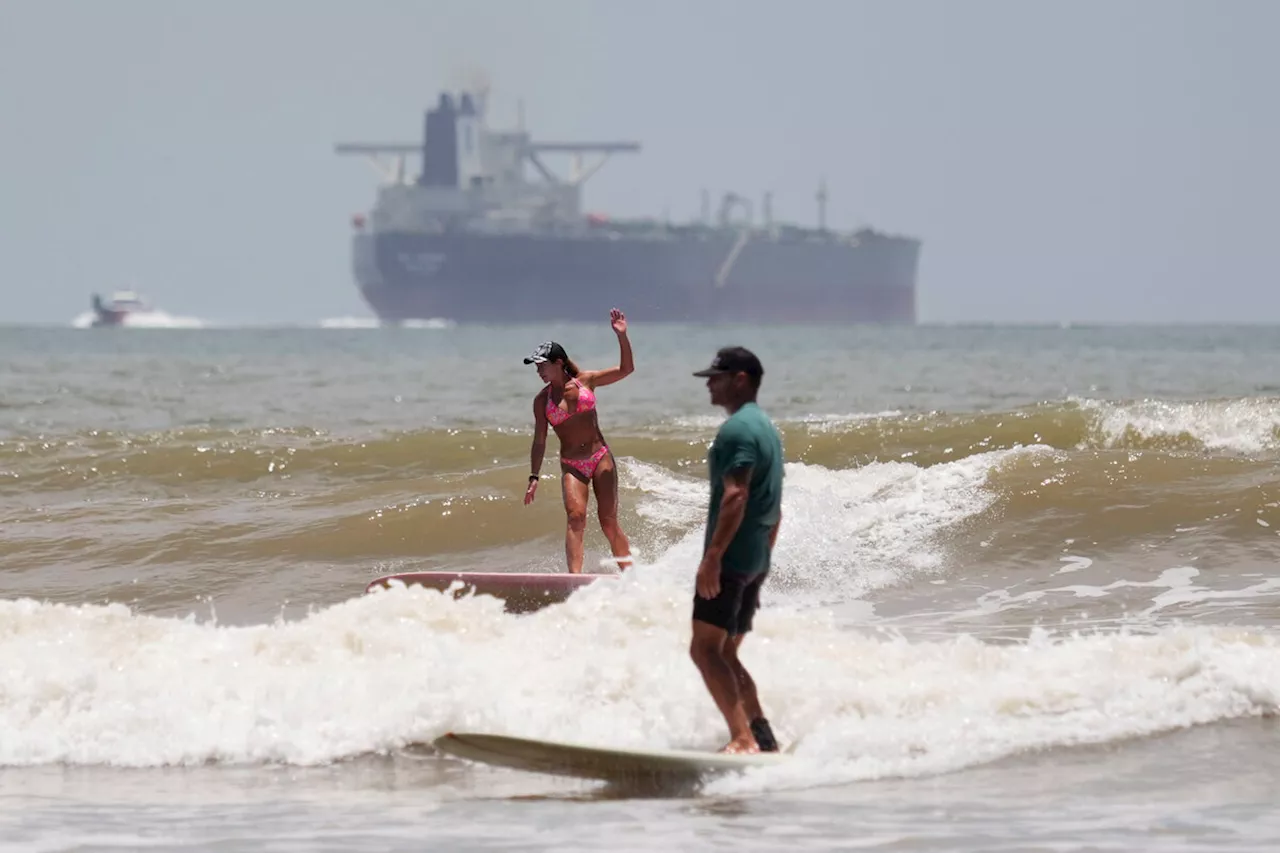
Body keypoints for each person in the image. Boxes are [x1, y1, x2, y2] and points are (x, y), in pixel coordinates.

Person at [689, 346, 785, 754]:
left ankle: (742, 738)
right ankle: (762, 734)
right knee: (726, 651)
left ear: (741, 379)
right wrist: (761, 559)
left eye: (716, 375)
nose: (709, 383)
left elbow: (736, 496)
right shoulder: (765, 428)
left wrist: (713, 558)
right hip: (754, 557)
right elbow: (774, 503)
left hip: (732, 560)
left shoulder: (738, 431)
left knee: (705, 648)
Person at [523, 308, 635, 574]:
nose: (539, 370)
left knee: (608, 521)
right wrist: (533, 476)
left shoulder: (587, 381)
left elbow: (626, 369)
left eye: (543, 364)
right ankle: (573, 581)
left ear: (559, 362)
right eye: (536, 366)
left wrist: (622, 336)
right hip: (572, 464)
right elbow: (540, 441)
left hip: (600, 458)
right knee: (575, 518)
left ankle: (630, 574)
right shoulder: (542, 401)